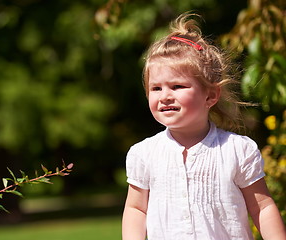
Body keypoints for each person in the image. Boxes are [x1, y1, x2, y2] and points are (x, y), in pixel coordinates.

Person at [122, 13, 286, 240]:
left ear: (210, 95)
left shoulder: (237, 150)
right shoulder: (144, 154)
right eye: (156, 88)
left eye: (177, 86)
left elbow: (262, 207)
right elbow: (136, 209)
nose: (165, 96)